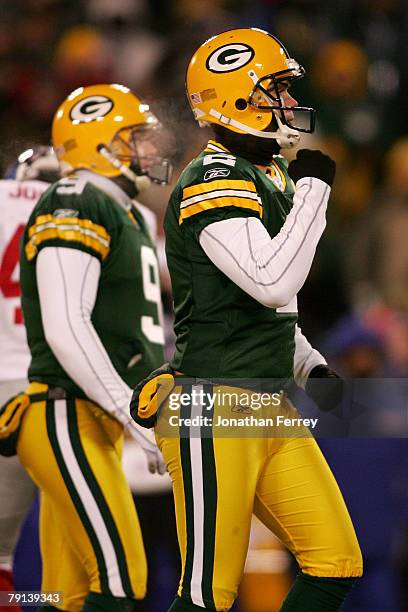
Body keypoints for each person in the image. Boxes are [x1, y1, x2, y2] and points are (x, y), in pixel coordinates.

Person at [131, 28, 363, 611]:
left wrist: (308, 364)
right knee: (210, 592)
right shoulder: (213, 179)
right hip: (213, 403)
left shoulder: (269, 174)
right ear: (236, 98)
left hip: (265, 399)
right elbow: (271, 281)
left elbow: (270, 307)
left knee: (335, 562)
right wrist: (315, 192)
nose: (287, 103)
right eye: (274, 89)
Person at [15, 84, 171, 612]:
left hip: (89, 417)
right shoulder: (74, 198)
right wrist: (134, 413)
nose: (148, 151)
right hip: (67, 412)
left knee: (63, 593)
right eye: (134, 139)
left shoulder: (126, 213)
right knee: (122, 577)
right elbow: (65, 325)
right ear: (97, 144)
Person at [0, 147, 60, 611]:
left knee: (2, 556)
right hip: (61, 385)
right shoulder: (86, 208)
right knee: (86, 544)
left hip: (4, 382)